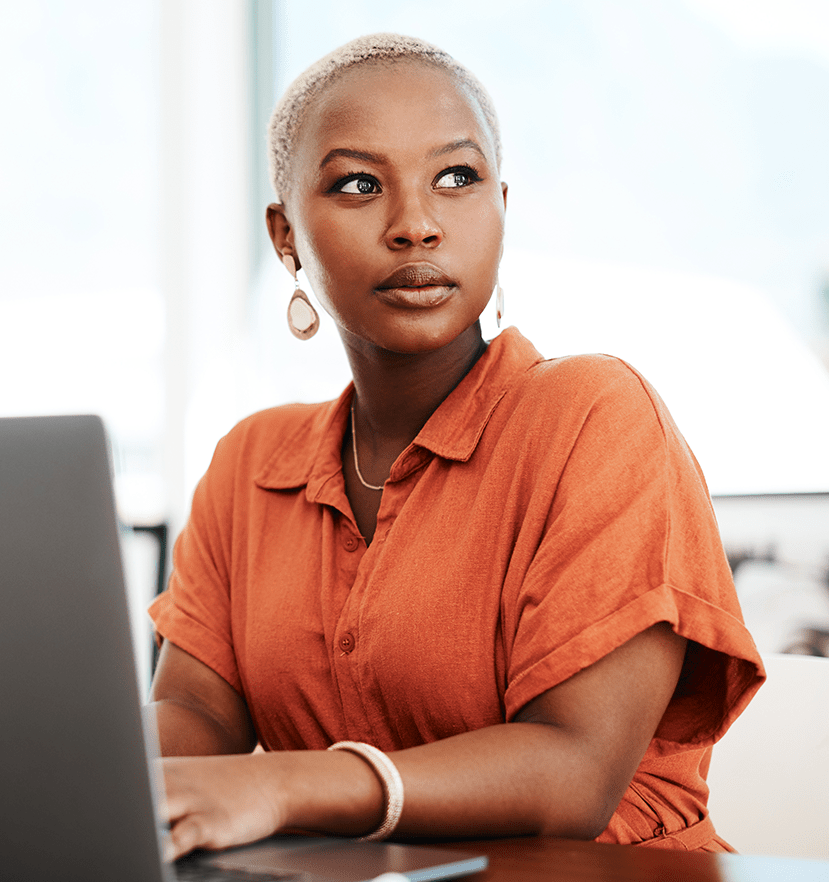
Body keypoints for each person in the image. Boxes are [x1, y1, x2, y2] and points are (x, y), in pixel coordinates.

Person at [148, 33, 764, 859]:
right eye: (359, 184)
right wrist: (65, 752)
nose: (416, 225)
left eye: (456, 178)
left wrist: (280, 784)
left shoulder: (595, 418)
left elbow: (572, 773)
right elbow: (196, 718)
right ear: (285, 235)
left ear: (501, 205)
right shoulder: (250, 465)